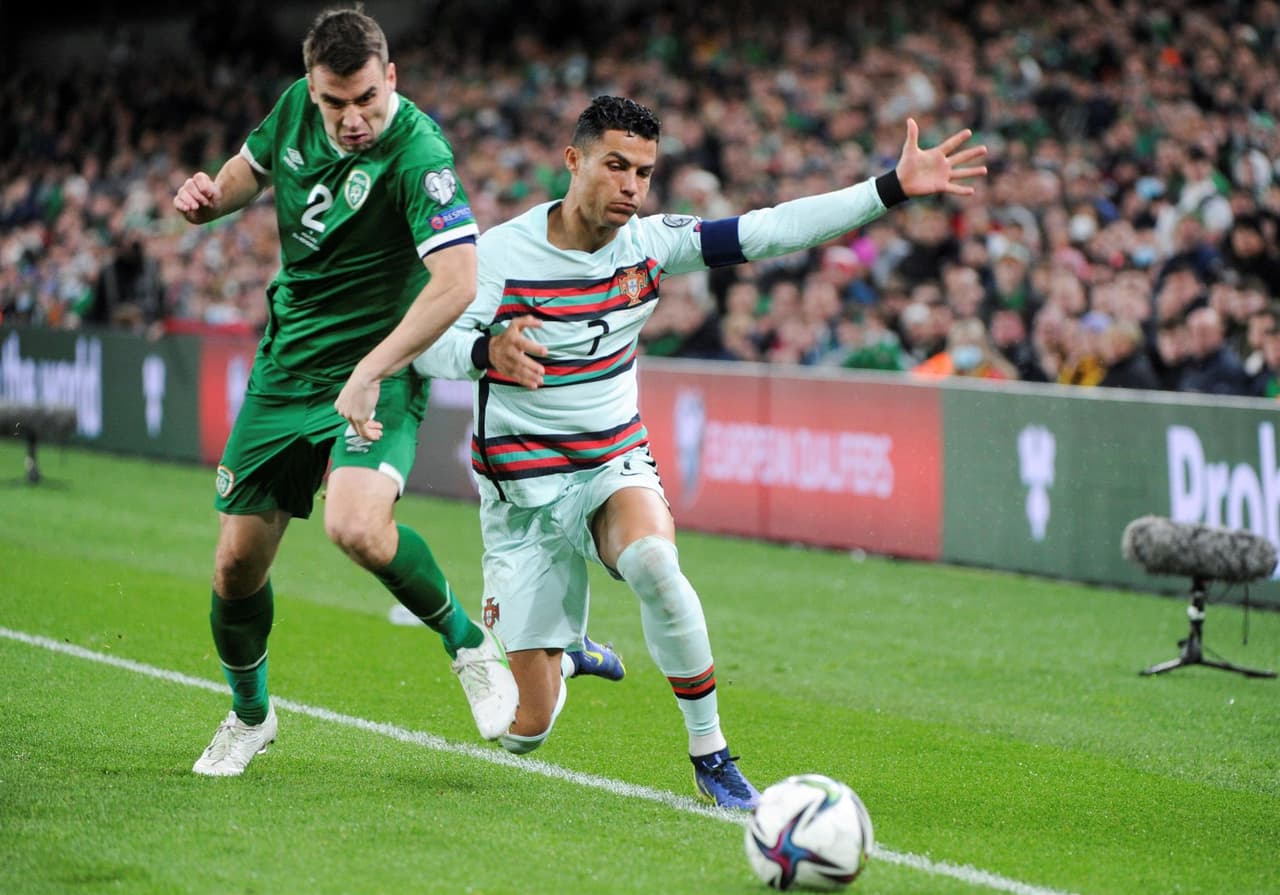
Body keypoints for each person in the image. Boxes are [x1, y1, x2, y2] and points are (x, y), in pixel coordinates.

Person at [412, 96, 987, 808]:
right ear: (573, 160)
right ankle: (567, 651)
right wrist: (483, 350)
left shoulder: (651, 244)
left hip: (609, 464)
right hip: (522, 497)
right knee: (518, 729)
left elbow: (770, 230)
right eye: (615, 166)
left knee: (654, 561)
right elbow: (425, 347)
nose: (630, 186)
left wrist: (890, 187)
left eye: (645, 173)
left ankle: (711, 752)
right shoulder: (499, 256)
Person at [171, 5, 518, 777]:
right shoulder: (297, 107)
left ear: (390, 77)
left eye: (368, 98)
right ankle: (250, 716)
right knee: (235, 568)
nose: (354, 118)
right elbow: (247, 171)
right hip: (285, 367)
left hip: (376, 370)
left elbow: (457, 281)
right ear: (311, 87)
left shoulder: (419, 152)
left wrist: (373, 368)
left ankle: (468, 642)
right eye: (337, 103)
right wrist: (210, 199)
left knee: (356, 527)